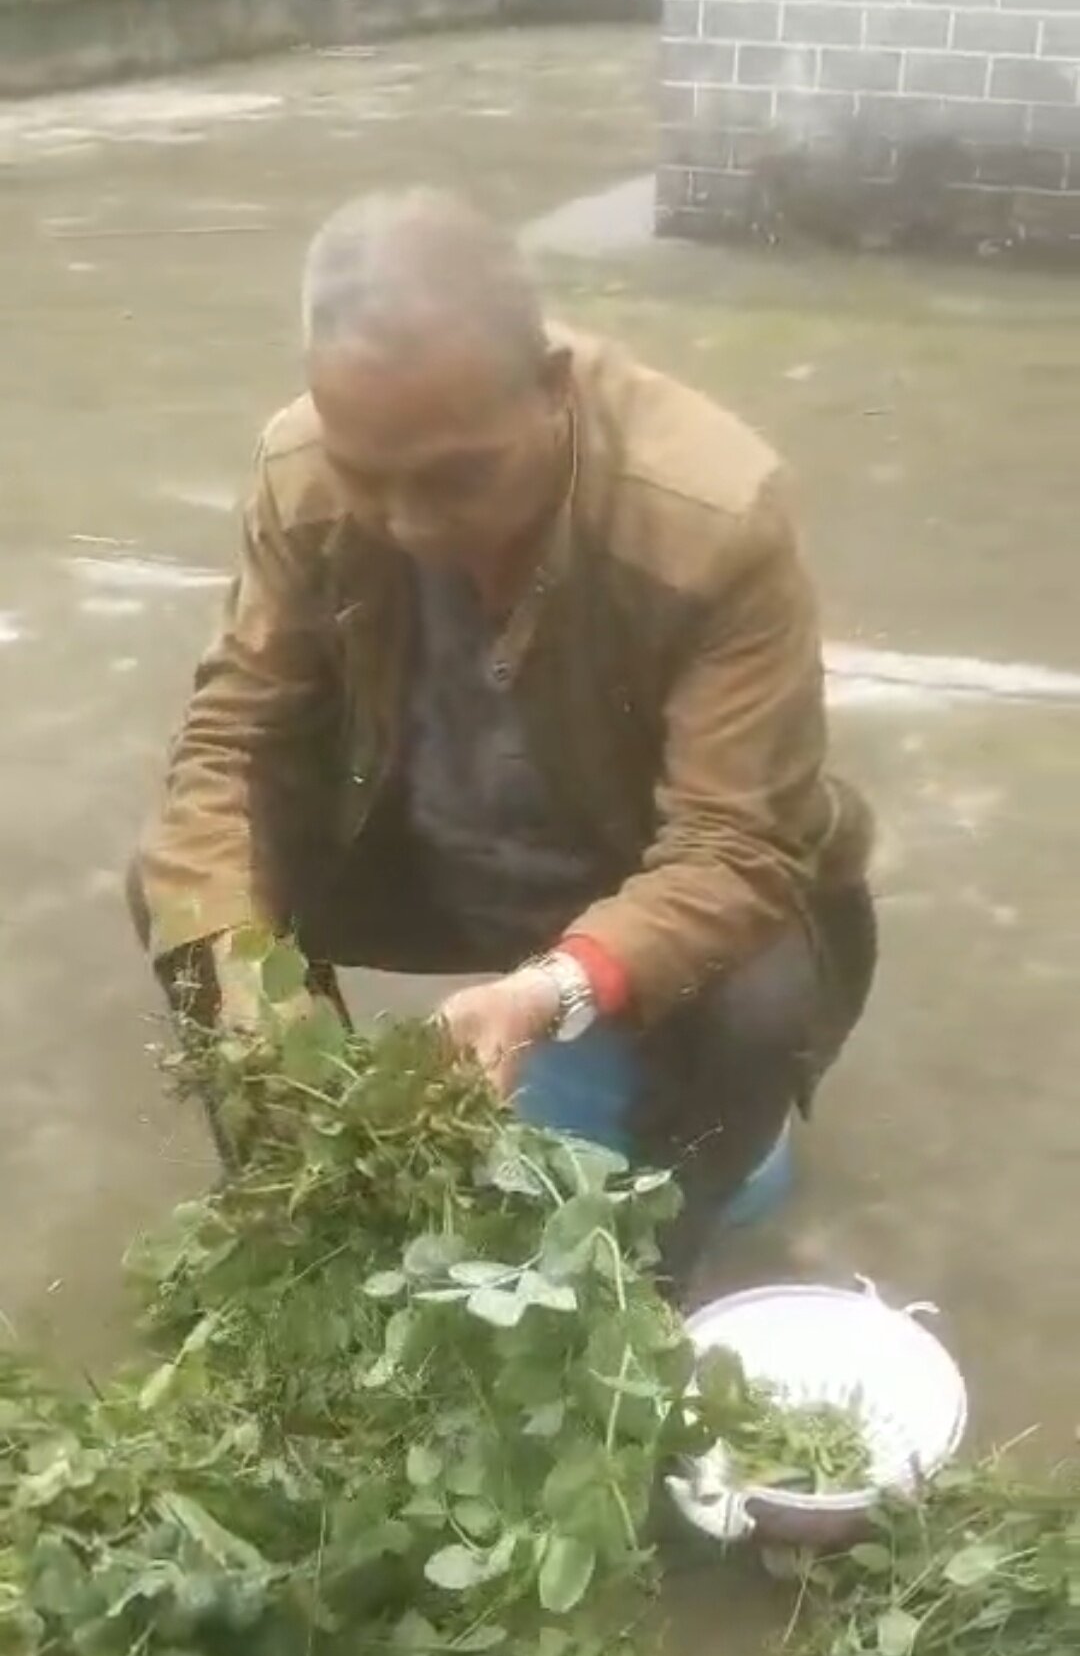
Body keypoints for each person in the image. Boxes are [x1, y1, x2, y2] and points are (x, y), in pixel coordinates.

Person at [128, 188, 876, 1271]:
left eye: (457, 478)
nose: (414, 524)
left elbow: (733, 846)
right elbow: (232, 741)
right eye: (370, 480)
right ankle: (317, 1211)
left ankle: (646, 1274)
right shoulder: (302, 470)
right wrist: (250, 1000)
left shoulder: (712, 517)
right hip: (433, 859)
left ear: (553, 389)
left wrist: (554, 988)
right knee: (191, 888)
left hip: (635, 867)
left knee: (760, 1005)